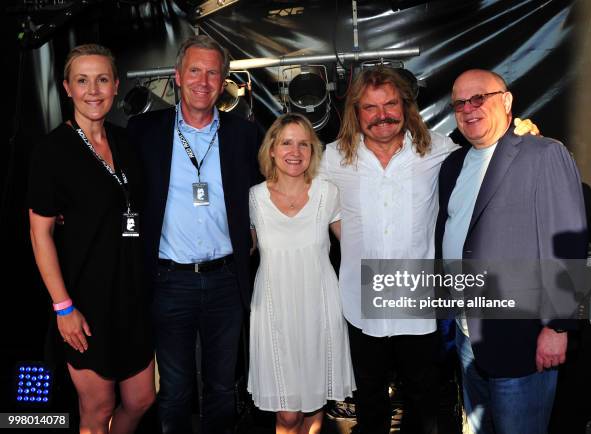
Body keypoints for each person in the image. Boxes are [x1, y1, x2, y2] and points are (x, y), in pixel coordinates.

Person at [320, 66, 538, 433]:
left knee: (425, 397)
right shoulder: (331, 158)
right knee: (369, 396)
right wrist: (353, 242)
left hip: (417, 299)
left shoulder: (439, 150)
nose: (382, 114)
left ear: (405, 107)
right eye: (370, 107)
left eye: (390, 104)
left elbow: (489, 152)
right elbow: (309, 198)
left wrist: (524, 135)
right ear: (355, 112)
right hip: (360, 299)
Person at [435, 69, 587, 434]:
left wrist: (558, 327)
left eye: (479, 98)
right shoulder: (452, 165)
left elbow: (567, 244)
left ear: (506, 100)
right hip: (468, 334)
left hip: (522, 339)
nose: (469, 109)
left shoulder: (543, 154)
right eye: (459, 103)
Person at [126, 35, 262, 434]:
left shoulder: (243, 134)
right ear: (178, 77)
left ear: (223, 82)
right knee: (175, 389)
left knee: (222, 387)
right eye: (195, 71)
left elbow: (265, 193)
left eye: (213, 73)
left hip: (226, 281)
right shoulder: (143, 131)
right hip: (169, 282)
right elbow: (115, 186)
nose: (203, 81)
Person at [28, 44, 155, 434]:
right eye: (82, 81)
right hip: (85, 304)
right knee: (98, 409)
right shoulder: (52, 151)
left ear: (116, 85)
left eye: (102, 80)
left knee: (140, 400)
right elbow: (40, 233)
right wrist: (63, 307)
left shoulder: (126, 141)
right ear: (67, 88)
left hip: (131, 298)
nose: (93, 90)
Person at [248, 113, 355, 434]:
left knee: (313, 404)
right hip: (273, 313)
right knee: (288, 416)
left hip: (319, 310)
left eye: (303, 144)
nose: (295, 152)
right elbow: (243, 249)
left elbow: (354, 245)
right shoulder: (254, 197)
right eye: (286, 143)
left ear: (313, 152)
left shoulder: (327, 193)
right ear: (271, 149)